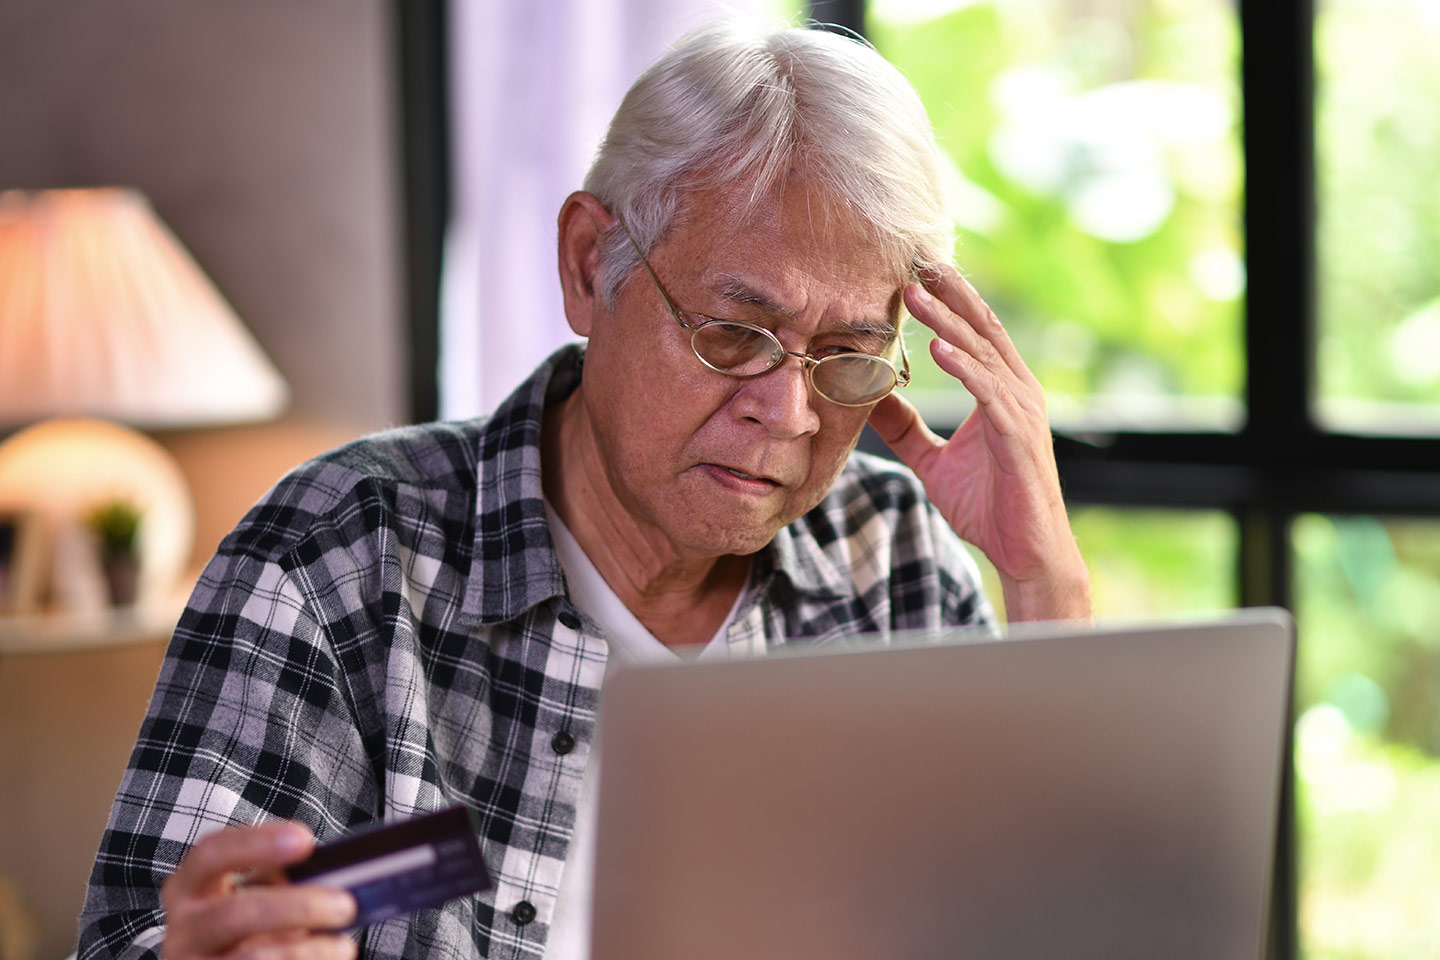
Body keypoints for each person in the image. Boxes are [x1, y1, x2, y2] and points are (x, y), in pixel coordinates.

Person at [77, 19, 1090, 960]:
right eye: (733, 333)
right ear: (587, 261)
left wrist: (1044, 585)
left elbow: (1040, 929)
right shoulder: (336, 554)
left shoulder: (892, 563)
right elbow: (146, 938)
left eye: (848, 355)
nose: (788, 413)